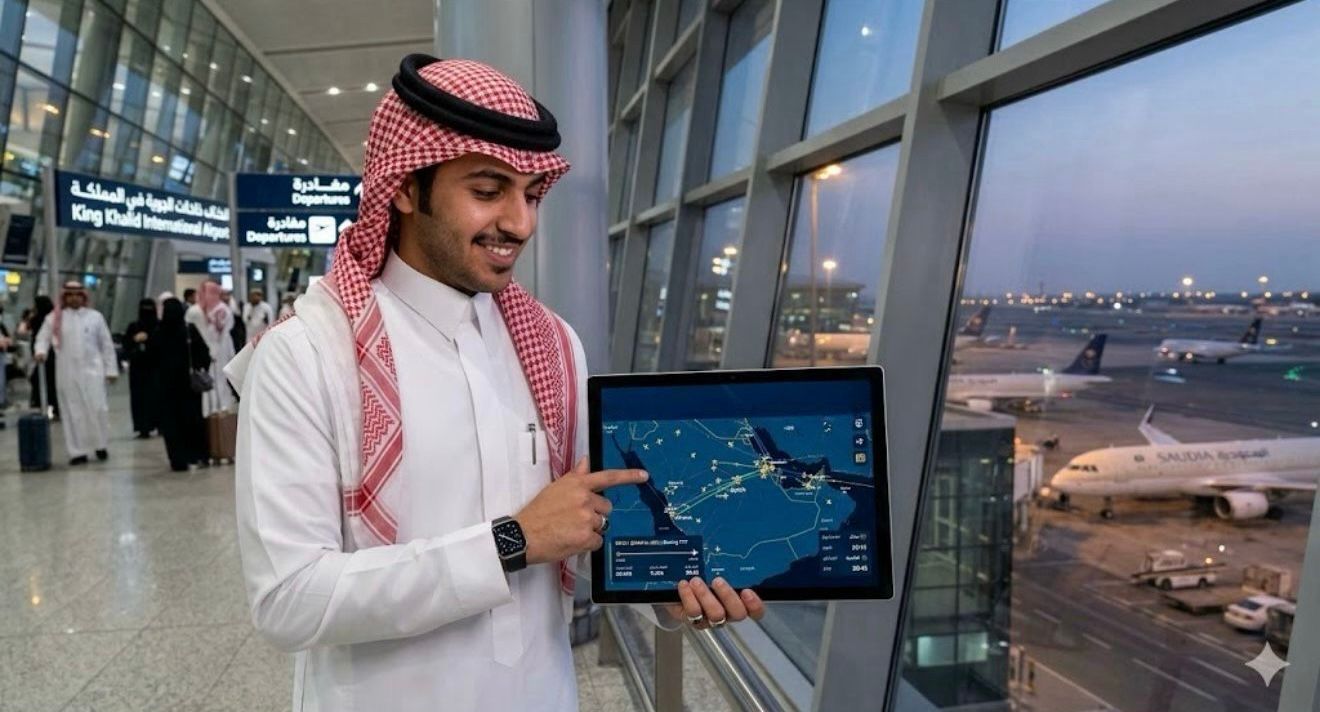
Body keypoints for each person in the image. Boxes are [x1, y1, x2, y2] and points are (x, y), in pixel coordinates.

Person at [227, 57, 763, 712]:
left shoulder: (554, 344)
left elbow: (582, 528)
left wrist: (668, 592)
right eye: (488, 190)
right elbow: (288, 600)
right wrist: (510, 542)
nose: (521, 223)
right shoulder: (307, 355)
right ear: (405, 186)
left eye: (532, 194)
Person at [34, 281, 118, 465]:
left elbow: (106, 344)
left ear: (83, 296)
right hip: (67, 372)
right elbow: (42, 338)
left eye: (77, 294)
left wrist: (111, 369)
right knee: (72, 412)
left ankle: (101, 445)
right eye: (70, 295)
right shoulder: (54, 318)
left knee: (98, 408)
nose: (74, 298)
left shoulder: (95, 317)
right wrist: (41, 351)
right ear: (64, 297)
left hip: (93, 371)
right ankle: (77, 452)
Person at [150, 298, 210, 471]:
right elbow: (204, 353)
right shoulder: (189, 330)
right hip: (189, 386)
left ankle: (178, 459)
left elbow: (151, 359)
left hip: (166, 387)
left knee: (171, 424)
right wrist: (199, 368)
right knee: (193, 421)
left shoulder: (158, 333)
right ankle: (198, 455)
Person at [186, 281, 236, 414]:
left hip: (202, 351)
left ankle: (209, 409)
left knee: (206, 379)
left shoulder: (194, 310)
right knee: (220, 378)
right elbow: (229, 329)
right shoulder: (224, 309)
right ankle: (222, 406)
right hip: (221, 350)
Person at [123, 298, 160, 438]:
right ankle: (143, 427)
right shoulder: (134, 327)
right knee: (140, 398)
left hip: (155, 367)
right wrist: (135, 340)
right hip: (139, 369)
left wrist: (149, 339)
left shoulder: (159, 326)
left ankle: (159, 424)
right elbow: (126, 346)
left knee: (157, 397)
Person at [27, 296, 57, 418]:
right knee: (51, 382)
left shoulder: (38, 319)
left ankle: (42, 405)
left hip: (44, 355)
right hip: (50, 354)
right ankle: (53, 407)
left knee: (39, 380)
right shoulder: (53, 318)